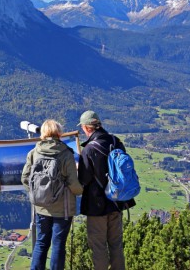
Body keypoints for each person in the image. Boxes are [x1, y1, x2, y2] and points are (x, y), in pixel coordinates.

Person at [77, 110, 136, 270]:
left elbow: (84, 179)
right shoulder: (115, 142)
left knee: (99, 246)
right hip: (117, 201)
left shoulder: (89, 149)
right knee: (116, 244)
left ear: (86, 128)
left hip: (97, 206)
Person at [21, 119, 83, 270]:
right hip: (63, 209)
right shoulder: (66, 153)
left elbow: (25, 178)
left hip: (41, 207)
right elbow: (74, 185)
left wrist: (38, 194)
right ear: (58, 133)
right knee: (58, 245)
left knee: (41, 243)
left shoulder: (34, 152)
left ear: (43, 133)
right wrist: (82, 191)